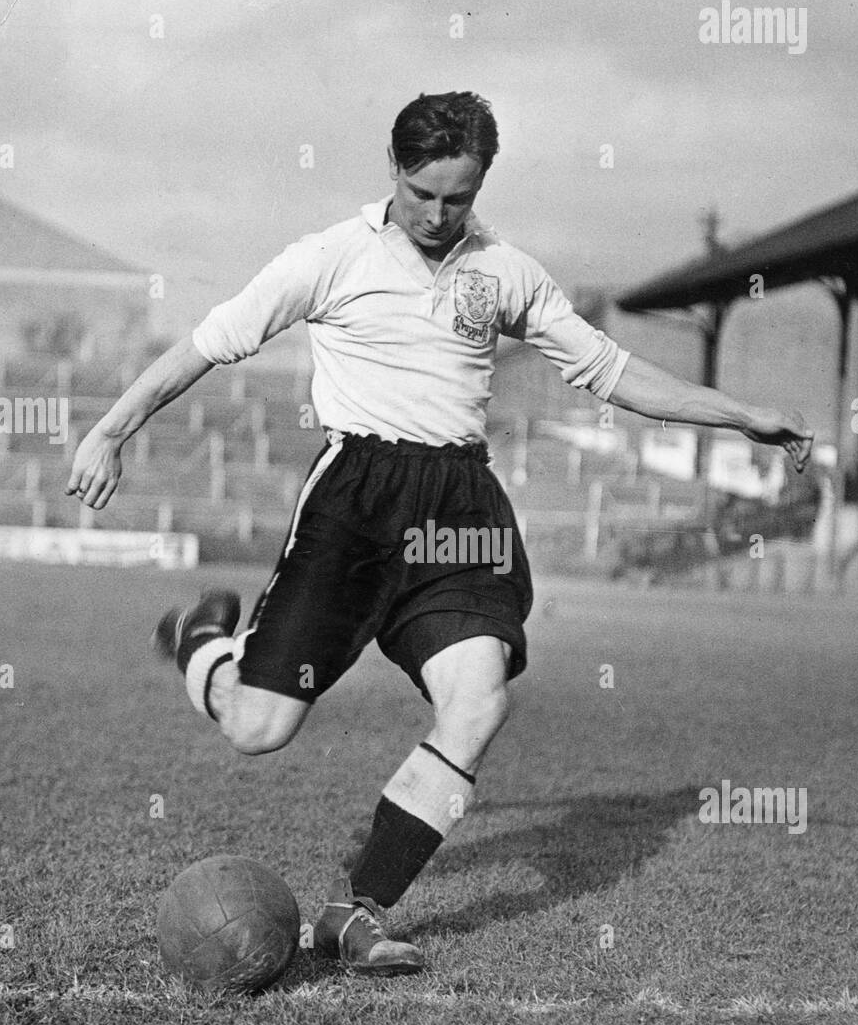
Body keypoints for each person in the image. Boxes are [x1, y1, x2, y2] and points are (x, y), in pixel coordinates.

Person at [67, 91, 813, 976]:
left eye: (457, 197)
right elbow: (204, 344)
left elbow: (613, 374)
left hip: (459, 510)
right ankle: (201, 643)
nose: (436, 213)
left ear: (481, 182)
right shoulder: (329, 258)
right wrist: (112, 428)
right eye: (422, 192)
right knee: (257, 730)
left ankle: (357, 910)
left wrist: (740, 417)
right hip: (356, 503)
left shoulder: (508, 273)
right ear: (394, 171)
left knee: (480, 697)